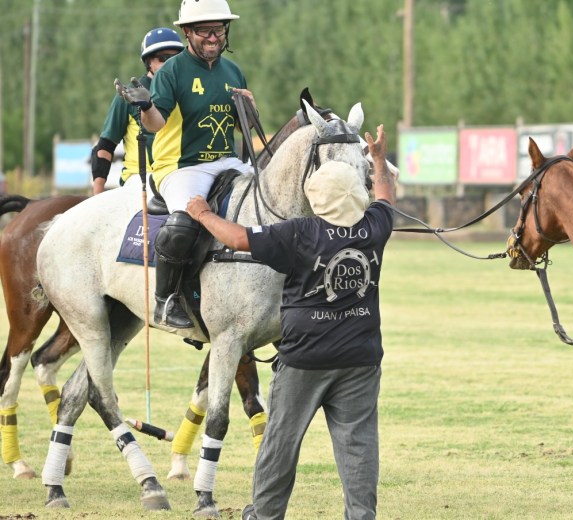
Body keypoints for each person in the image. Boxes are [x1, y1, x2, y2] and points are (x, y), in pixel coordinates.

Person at [186, 125, 393, 520]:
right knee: (360, 446)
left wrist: (203, 213)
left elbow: (240, 239)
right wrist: (378, 159)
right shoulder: (375, 227)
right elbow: (385, 194)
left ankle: (264, 515)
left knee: (280, 443)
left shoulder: (301, 233)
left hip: (304, 361)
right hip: (361, 360)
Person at [116, 0, 255, 328]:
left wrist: (251, 109)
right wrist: (145, 105)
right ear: (188, 32)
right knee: (184, 222)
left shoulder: (233, 71)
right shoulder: (172, 71)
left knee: (268, 196)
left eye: (218, 29)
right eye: (205, 30)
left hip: (227, 161)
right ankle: (166, 299)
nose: (213, 37)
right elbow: (156, 124)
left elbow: (242, 126)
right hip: (180, 166)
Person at [91, 27, 185, 195]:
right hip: (141, 180)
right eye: (163, 58)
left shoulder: (187, 92)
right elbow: (105, 147)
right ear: (149, 62)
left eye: (176, 58)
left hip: (181, 174)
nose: (171, 63)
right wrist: (96, 198)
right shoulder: (128, 96)